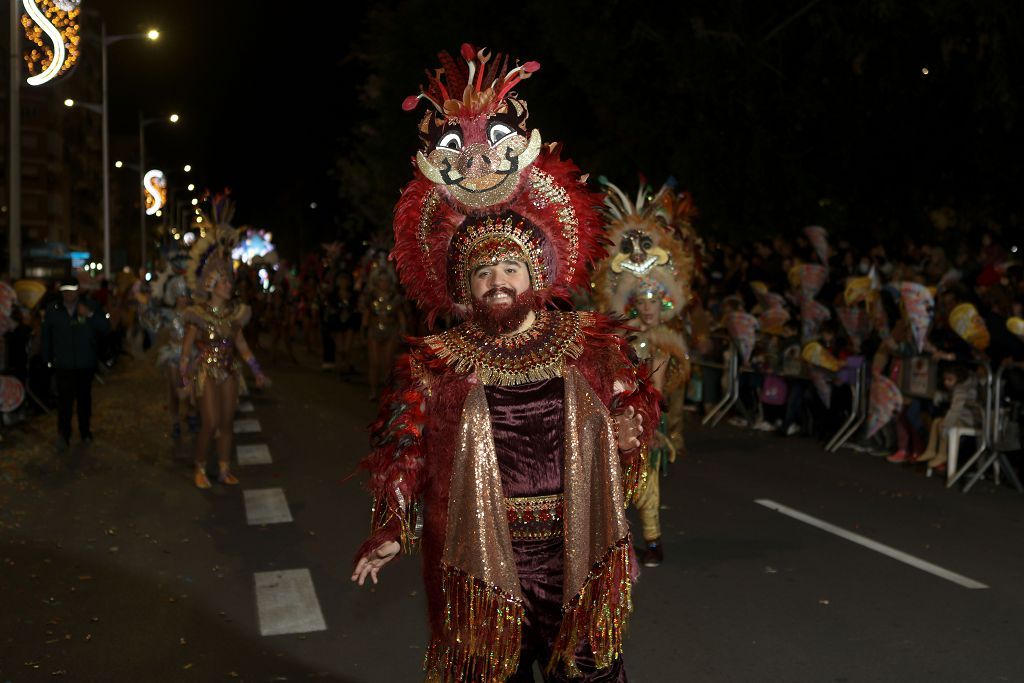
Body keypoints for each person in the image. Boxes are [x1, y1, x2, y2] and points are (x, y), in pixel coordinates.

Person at [351, 44, 659, 682]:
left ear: (536, 274)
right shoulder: (436, 363)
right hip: (482, 555)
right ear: (464, 287)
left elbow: (632, 407)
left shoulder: (587, 344)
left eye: (510, 267)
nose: (498, 280)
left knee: (587, 670)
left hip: (575, 543)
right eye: (484, 270)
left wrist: (631, 429)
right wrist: (389, 527)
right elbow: (403, 448)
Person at [180, 196, 268, 489]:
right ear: (211, 284)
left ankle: (223, 467)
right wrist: (184, 375)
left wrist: (256, 370)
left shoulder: (235, 314)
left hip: (230, 371)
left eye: (230, 281)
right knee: (210, 423)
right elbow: (187, 346)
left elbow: (241, 345)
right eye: (225, 281)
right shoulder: (198, 313)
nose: (230, 285)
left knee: (228, 423)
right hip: (205, 371)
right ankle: (200, 467)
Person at [40, 277, 110, 450]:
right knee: (64, 402)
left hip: (85, 362)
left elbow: (105, 327)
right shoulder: (53, 309)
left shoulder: (90, 306)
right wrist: (47, 359)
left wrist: (90, 315)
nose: (69, 293)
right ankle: (63, 434)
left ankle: (85, 431)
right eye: (65, 290)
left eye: (72, 290)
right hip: (63, 364)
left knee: (84, 400)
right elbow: (46, 336)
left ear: (78, 290)